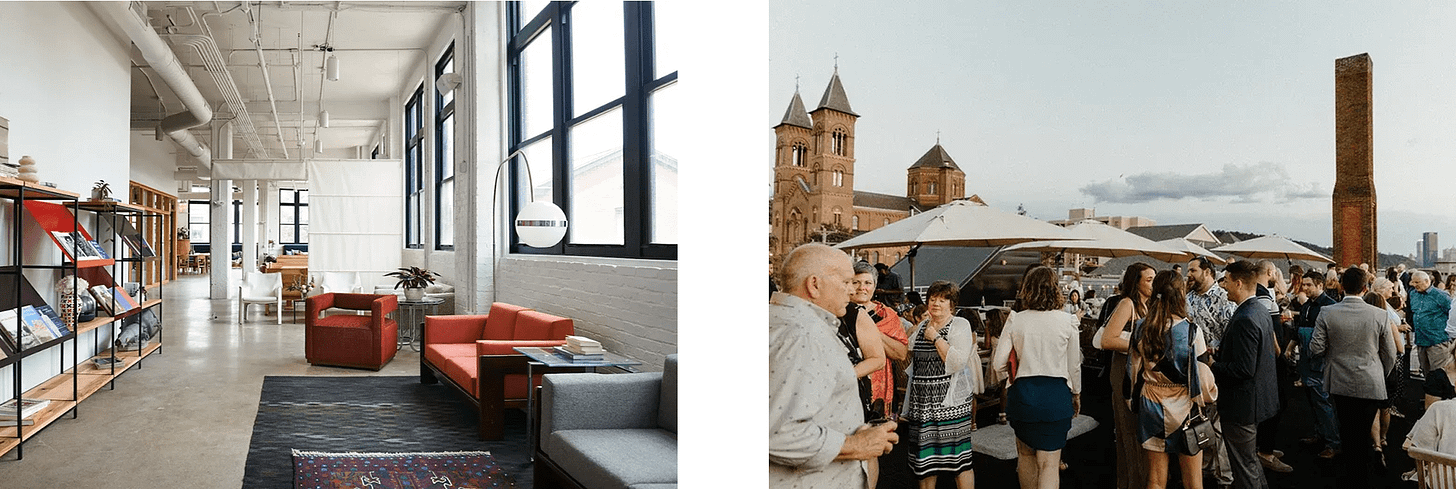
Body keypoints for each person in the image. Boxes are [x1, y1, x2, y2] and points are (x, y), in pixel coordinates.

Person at [769, 243, 899, 488]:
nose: (851, 291)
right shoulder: (801, 335)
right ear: (814, 284)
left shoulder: (781, 322)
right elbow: (776, 432)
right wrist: (855, 445)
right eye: (846, 282)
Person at [991, 267, 1082, 489]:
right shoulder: (1067, 321)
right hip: (1056, 396)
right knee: (1049, 465)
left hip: (1023, 394)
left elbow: (998, 364)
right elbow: (1074, 366)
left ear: (1027, 289)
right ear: (1055, 289)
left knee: (1025, 456)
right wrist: (1077, 393)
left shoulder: (1015, 320)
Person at [1310, 267, 1397, 489]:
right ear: (1365, 288)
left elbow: (1316, 348)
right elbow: (1390, 354)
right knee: (1363, 431)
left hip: (1339, 381)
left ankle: (1352, 475)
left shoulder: (1327, 313)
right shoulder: (1379, 314)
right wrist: (1379, 373)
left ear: (1341, 286)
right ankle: (1363, 476)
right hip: (1370, 381)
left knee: (1347, 430)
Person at [1130, 270, 1217, 489]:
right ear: (1181, 294)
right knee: (1193, 482)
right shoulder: (1191, 331)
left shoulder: (1141, 327)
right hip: (1185, 408)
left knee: (1156, 480)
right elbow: (1202, 374)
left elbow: (1132, 373)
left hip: (1151, 404)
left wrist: (1131, 401)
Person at [902, 280, 979, 489]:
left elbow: (956, 362)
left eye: (943, 300)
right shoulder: (921, 327)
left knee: (959, 463)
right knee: (925, 465)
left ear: (952, 305)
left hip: (950, 406)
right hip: (922, 406)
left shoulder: (960, 325)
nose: (936, 303)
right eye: (933, 299)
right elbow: (906, 352)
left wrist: (935, 337)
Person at [1210, 260, 1279, 489]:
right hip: (1255, 402)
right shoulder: (1259, 309)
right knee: (1249, 463)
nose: (1223, 286)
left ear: (1238, 284)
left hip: (1242, 406)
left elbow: (1244, 369)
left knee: (1244, 467)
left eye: (1226, 282)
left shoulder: (1245, 318)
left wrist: (1212, 363)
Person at [1100, 262, 1156, 489]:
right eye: (1149, 279)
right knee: (1129, 431)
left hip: (1142, 371)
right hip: (1124, 370)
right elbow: (1107, 340)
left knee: (1141, 431)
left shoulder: (1150, 304)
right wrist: (1139, 346)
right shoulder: (1127, 304)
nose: (1153, 283)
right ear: (1136, 282)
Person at [1184, 256, 1236, 486]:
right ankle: (1203, 467)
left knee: (1220, 424)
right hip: (1192, 369)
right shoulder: (1187, 299)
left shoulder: (1225, 298)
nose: (1189, 275)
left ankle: (1224, 473)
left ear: (1207, 272)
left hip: (1217, 368)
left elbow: (1233, 335)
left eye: (1193, 270)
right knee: (1197, 420)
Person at [848, 262, 910, 418]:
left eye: (867, 283)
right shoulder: (839, 311)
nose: (862, 287)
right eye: (856, 282)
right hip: (848, 380)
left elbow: (901, 353)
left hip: (879, 383)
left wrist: (871, 331)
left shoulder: (886, 315)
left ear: (875, 287)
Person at [1291, 270, 1340, 459]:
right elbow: (1298, 329)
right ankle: (1320, 434)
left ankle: (1333, 443)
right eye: (1303, 285)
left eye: (1308, 285)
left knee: (1323, 401)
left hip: (1320, 362)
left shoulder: (1330, 306)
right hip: (1305, 358)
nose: (1304, 288)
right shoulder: (1307, 305)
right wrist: (1291, 347)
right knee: (1313, 401)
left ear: (1320, 285)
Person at [1363, 287, 1405, 461]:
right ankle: (1384, 438)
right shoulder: (1388, 322)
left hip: (1368, 368)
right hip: (1387, 370)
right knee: (1385, 407)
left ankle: (1376, 444)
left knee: (1373, 409)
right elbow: (1400, 349)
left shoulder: (1363, 322)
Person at [1412, 271, 1455, 373]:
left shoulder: (1441, 295)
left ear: (1427, 281)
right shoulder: (1413, 294)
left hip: (1437, 342)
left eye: (1417, 282)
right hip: (1421, 341)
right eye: (1413, 282)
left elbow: (1452, 313)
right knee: (1426, 375)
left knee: (1439, 375)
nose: (1414, 285)